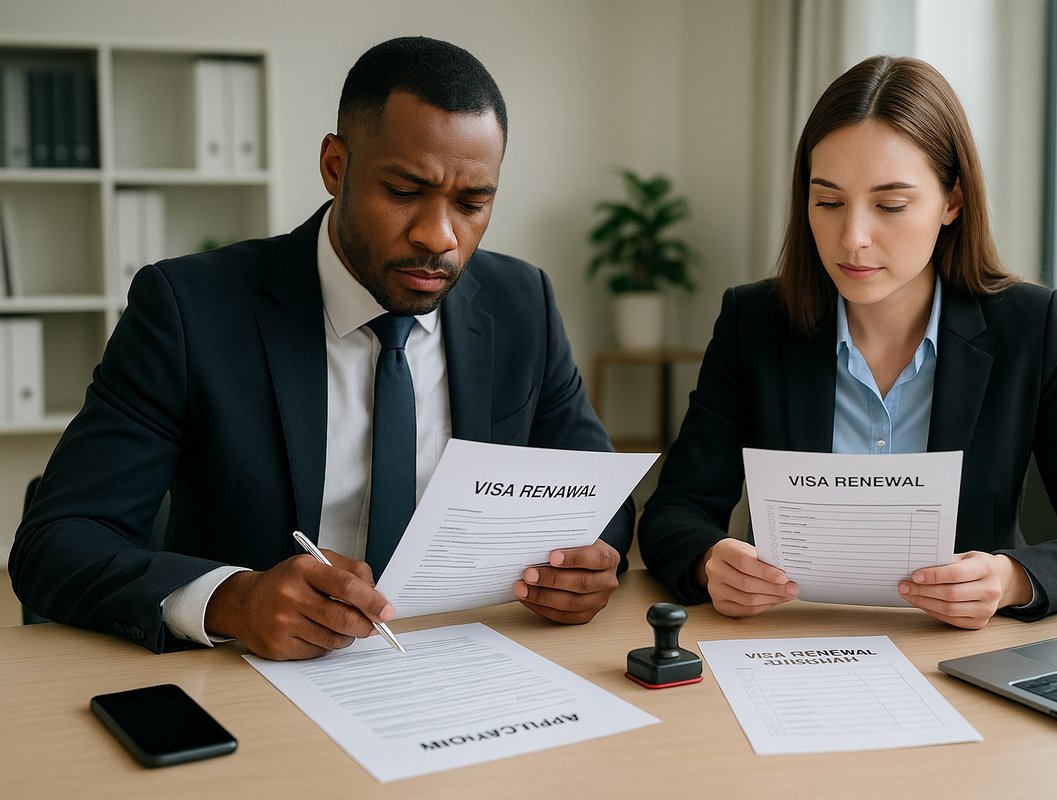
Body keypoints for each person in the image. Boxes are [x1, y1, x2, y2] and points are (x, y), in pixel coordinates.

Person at [11, 36, 633, 660]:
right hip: (253, 680)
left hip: (464, 661)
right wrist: (233, 599)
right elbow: (57, 541)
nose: (439, 237)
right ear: (336, 166)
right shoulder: (189, 310)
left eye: (472, 203)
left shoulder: (521, 303)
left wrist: (586, 568)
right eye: (405, 192)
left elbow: (602, 504)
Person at [637, 55, 1057, 629]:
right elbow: (674, 512)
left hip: (959, 656)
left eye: (890, 205)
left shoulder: (1030, 326)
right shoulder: (755, 321)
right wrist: (710, 560)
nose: (852, 238)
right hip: (785, 644)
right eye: (828, 202)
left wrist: (1011, 579)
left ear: (952, 202)